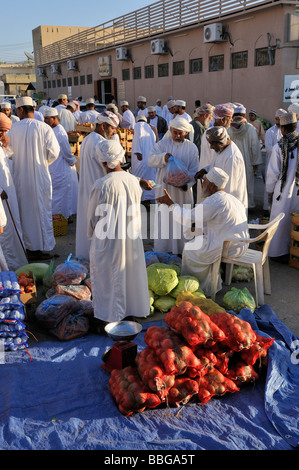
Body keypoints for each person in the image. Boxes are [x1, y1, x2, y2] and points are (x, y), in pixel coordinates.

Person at [87, 139, 151, 328]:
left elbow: (93, 217)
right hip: (131, 237)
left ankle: (110, 318)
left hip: (108, 240)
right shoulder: (134, 181)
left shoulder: (101, 184)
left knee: (109, 278)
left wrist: (92, 233)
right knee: (130, 275)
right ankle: (131, 314)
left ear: (104, 162)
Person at [156, 167, 249, 297]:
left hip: (229, 247)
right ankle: (210, 283)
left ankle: (201, 288)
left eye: (204, 181)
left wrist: (170, 203)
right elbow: (221, 225)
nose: (202, 185)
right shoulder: (230, 198)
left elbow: (187, 217)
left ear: (211, 185)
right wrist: (200, 230)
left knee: (189, 249)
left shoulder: (215, 200)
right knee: (197, 239)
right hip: (241, 244)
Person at [7, 97, 60, 261]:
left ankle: (28, 248)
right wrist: (42, 162)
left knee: (24, 213)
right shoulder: (44, 128)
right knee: (41, 212)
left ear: (21, 110)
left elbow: (8, 155)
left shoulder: (13, 130)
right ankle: (42, 248)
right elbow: (54, 153)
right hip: (40, 177)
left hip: (19, 178)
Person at [148, 117, 199, 255]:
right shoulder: (163, 145)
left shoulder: (192, 148)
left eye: (180, 133)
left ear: (185, 133)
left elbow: (195, 171)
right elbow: (150, 159)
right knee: (165, 219)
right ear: (170, 131)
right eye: (175, 132)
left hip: (183, 193)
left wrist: (187, 185)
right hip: (165, 189)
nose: (177, 136)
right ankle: (164, 251)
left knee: (182, 220)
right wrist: (163, 158)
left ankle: (182, 252)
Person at [76, 111, 122, 260]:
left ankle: (87, 259)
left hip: (88, 191)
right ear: (103, 126)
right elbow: (112, 168)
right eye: (113, 128)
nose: (115, 132)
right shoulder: (101, 143)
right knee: (99, 231)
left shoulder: (88, 138)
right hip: (99, 192)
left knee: (88, 228)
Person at [266, 111, 299, 260]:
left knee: (279, 221)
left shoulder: (279, 147)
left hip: (282, 190)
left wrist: (269, 190)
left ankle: (277, 253)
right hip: (297, 190)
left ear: (283, 129)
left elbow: (273, 172)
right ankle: (293, 253)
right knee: (294, 221)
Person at [195, 126, 248, 209]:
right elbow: (215, 165)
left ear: (222, 142)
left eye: (213, 144)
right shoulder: (220, 149)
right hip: (218, 199)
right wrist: (204, 170)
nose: (211, 147)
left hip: (229, 205)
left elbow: (229, 189)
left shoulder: (232, 157)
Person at [0, 113, 27, 270]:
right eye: (1, 131)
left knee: (12, 228)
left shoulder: (2, 140)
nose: (3, 134)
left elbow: (5, 158)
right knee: (6, 234)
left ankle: (16, 266)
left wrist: (5, 145)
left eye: (4, 132)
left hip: (8, 193)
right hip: (2, 194)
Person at [43, 107, 77, 222]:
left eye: (47, 119)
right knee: (56, 194)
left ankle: (63, 217)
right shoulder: (52, 129)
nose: (45, 121)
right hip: (53, 166)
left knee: (61, 195)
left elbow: (66, 150)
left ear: (54, 118)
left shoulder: (60, 131)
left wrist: (72, 161)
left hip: (61, 166)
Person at [228, 104, 262, 209]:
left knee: (234, 183)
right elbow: (254, 147)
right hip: (247, 162)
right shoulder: (250, 129)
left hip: (232, 162)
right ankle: (249, 205)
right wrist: (255, 162)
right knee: (248, 184)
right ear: (244, 114)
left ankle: (235, 205)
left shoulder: (229, 129)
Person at [198, 103, 234, 173]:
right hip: (212, 176)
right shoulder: (219, 136)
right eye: (230, 118)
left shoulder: (207, 132)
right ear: (222, 120)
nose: (232, 120)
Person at [263, 108, 287, 211]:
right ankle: (266, 209)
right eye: (276, 119)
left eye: (279, 119)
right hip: (271, 163)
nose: (277, 121)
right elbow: (268, 148)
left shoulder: (287, 131)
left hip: (285, 164)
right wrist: (282, 153)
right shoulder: (270, 131)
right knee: (270, 185)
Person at [190, 104, 214, 204]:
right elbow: (198, 149)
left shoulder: (194, 124)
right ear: (205, 116)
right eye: (210, 117)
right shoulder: (198, 127)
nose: (211, 120)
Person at [131, 115, 157, 205]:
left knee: (140, 180)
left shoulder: (139, 125)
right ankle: (149, 200)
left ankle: (142, 201)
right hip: (150, 160)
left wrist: (138, 153)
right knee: (150, 179)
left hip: (141, 159)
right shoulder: (150, 129)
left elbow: (138, 139)